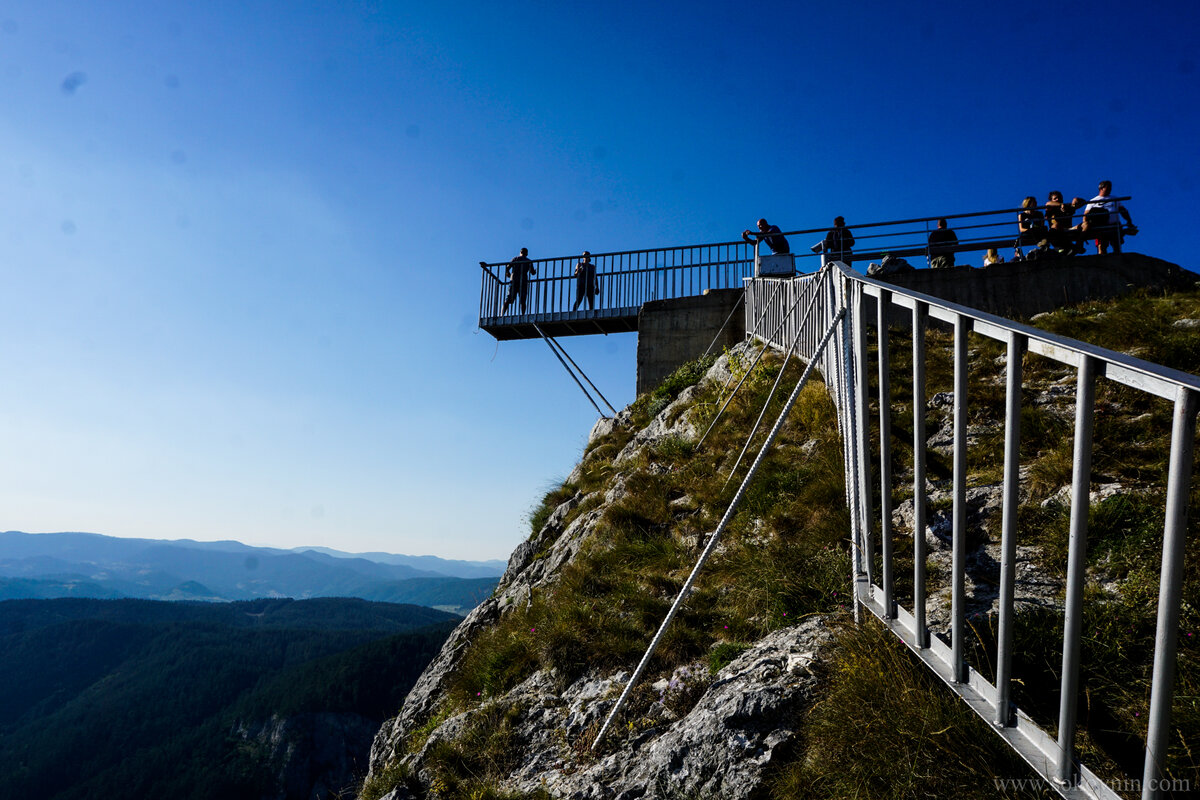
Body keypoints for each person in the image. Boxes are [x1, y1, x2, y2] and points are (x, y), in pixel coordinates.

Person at [1083, 180, 1135, 254]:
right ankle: (1102, 262)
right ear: (1101, 188)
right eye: (1108, 187)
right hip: (1100, 226)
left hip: (1114, 225)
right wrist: (1087, 224)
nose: (1110, 189)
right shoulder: (1093, 201)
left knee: (1116, 245)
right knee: (1101, 246)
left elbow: (1123, 210)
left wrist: (1129, 221)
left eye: (1110, 187)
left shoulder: (1114, 199)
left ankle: (1117, 260)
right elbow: (1086, 215)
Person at [501, 247, 536, 314]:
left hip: (514, 280)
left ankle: (501, 314)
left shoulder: (515, 259)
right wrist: (534, 272)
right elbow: (532, 272)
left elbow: (507, 267)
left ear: (520, 252)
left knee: (508, 299)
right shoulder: (528, 261)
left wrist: (508, 273)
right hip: (523, 281)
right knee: (523, 300)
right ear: (527, 254)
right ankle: (522, 315)